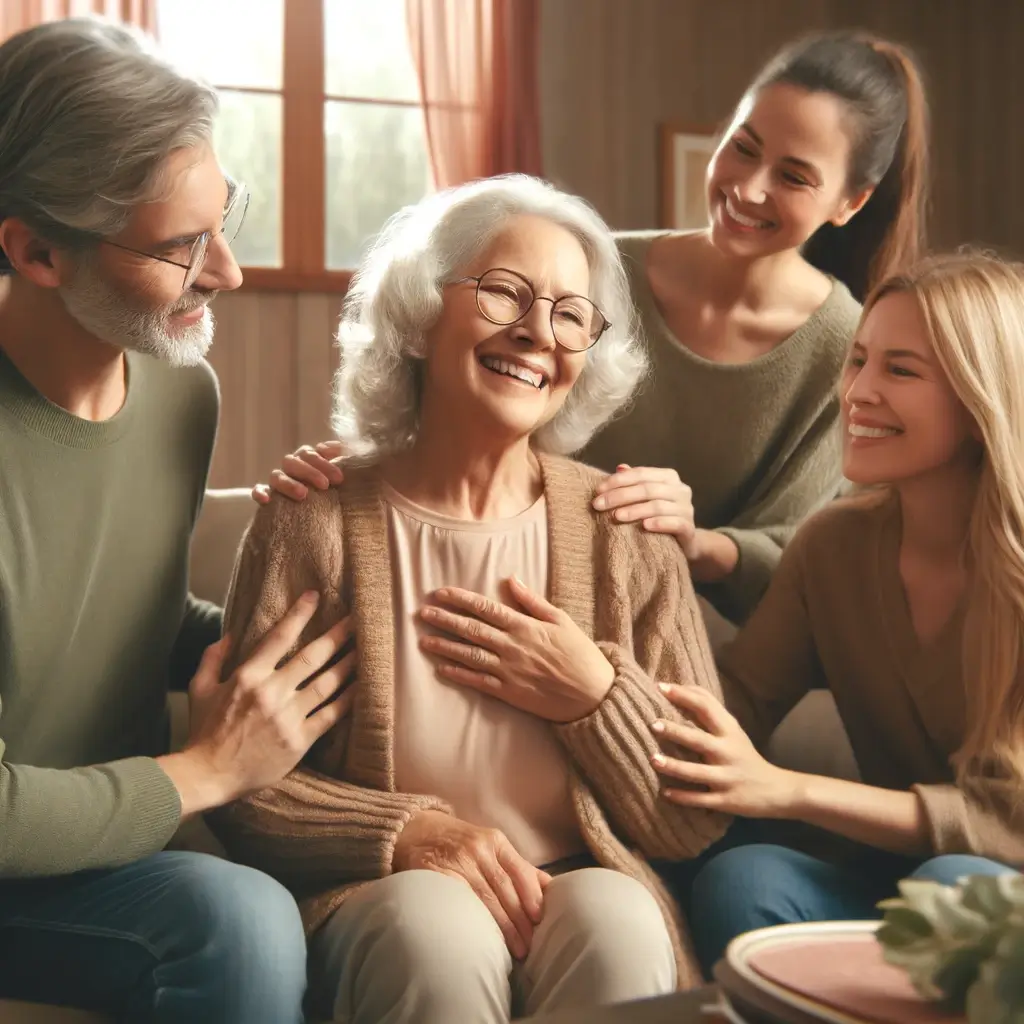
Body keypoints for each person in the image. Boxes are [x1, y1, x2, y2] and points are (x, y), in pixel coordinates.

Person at [208, 174, 732, 1024]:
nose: (538, 332)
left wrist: (597, 698)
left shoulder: (627, 532)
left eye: (571, 314)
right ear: (420, 314)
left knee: (619, 920)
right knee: (435, 927)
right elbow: (239, 784)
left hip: (580, 883)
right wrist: (408, 833)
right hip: (384, 893)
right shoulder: (312, 522)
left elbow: (692, 822)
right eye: (504, 292)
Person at [260, 30, 929, 628]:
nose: (749, 188)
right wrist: (363, 464)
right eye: (742, 148)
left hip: (681, 624)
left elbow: (798, 555)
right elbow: (458, 395)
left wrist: (691, 541)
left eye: (794, 177)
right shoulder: (592, 270)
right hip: (499, 567)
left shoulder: (848, 345)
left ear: (851, 202)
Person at [0, 18, 355, 1022]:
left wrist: (328, 607)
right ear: (36, 251)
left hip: (116, 838)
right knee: (237, 920)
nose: (227, 271)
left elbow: (125, 621)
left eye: (223, 214)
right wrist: (206, 770)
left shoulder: (180, 393)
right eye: (179, 246)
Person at [649, 251, 1024, 976]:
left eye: (901, 370)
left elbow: (1007, 826)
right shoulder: (833, 546)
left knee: (955, 887)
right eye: (858, 361)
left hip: (985, 888)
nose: (857, 393)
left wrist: (792, 791)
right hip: (892, 885)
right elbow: (737, 701)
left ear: (982, 401)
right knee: (744, 879)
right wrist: (600, 685)